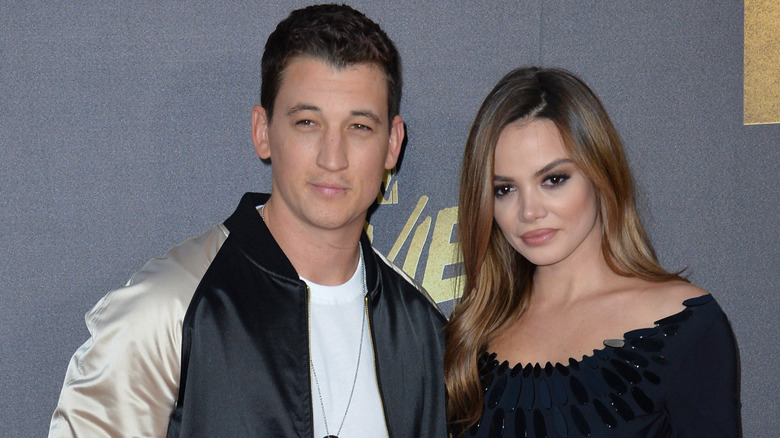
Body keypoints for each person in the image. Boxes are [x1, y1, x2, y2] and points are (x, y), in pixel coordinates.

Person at [49, 4, 447, 437]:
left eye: (359, 127)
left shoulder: (420, 327)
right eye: (308, 122)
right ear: (263, 131)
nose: (333, 158)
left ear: (393, 144)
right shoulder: (168, 310)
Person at [445, 67, 740, 437]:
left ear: (600, 174)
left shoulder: (684, 326)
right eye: (504, 189)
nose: (529, 211)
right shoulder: (472, 335)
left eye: (553, 180)